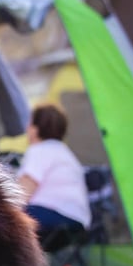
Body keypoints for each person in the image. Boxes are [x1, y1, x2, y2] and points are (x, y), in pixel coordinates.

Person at [16, 103, 91, 247]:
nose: (27, 129)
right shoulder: (67, 154)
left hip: (51, 218)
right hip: (77, 224)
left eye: (29, 123)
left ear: (35, 130)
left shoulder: (39, 150)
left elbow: (22, 194)